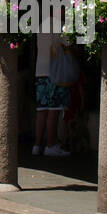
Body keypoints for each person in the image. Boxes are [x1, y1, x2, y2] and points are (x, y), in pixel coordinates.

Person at [33, 23, 72, 156]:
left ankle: (37, 145)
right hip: (54, 72)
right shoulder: (60, 26)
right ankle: (50, 145)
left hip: (40, 71)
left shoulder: (41, 25)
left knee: (41, 110)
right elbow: (68, 43)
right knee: (53, 111)